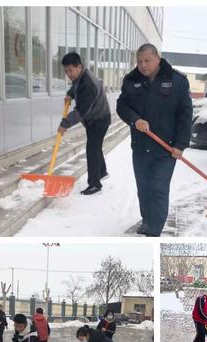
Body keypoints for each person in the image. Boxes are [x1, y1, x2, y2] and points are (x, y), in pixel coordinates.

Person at [116, 44, 193, 237]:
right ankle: (147, 221)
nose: (142, 65)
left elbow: (185, 114)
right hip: (141, 146)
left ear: (158, 58)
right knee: (143, 187)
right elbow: (121, 105)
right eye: (139, 61)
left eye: (147, 60)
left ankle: (154, 232)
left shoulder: (177, 81)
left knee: (158, 188)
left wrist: (180, 145)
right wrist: (135, 119)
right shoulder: (131, 80)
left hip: (166, 149)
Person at [58, 52, 111, 195]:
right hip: (97, 117)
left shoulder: (87, 83)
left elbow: (81, 111)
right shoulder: (81, 76)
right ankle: (102, 172)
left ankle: (95, 185)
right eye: (66, 71)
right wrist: (70, 93)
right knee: (96, 147)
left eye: (71, 70)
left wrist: (65, 124)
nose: (69, 74)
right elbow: (76, 87)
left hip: (98, 120)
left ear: (79, 67)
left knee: (92, 150)